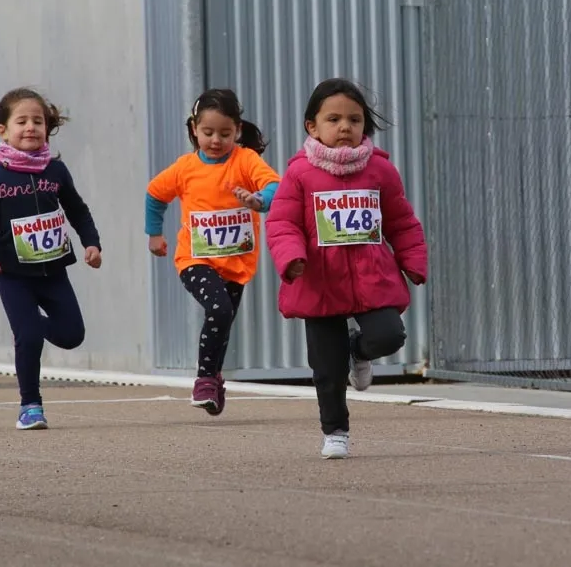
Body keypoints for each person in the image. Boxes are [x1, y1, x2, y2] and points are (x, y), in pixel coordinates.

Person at [266, 78, 428, 459]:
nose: (345, 127)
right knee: (327, 366)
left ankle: (359, 349)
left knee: (389, 335)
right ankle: (335, 430)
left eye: (354, 120)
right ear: (312, 126)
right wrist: (291, 258)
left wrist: (413, 260)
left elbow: (401, 221)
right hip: (319, 282)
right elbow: (282, 223)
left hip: (371, 278)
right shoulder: (299, 174)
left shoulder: (381, 171)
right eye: (334, 119)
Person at [0, 87, 102, 430]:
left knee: (72, 334)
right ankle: (30, 406)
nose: (30, 128)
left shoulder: (57, 172)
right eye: (21, 121)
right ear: (3, 130)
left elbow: (78, 211)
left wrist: (92, 244)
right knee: (29, 339)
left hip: (54, 273)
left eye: (37, 121)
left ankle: (29, 325)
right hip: (13, 275)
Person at [145, 89, 281, 415]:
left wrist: (258, 200)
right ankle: (205, 378)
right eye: (208, 132)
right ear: (194, 129)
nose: (216, 141)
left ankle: (214, 379)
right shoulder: (185, 168)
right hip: (195, 259)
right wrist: (155, 234)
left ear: (237, 130)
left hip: (235, 262)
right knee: (219, 310)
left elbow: (276, 187)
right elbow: (155, 193)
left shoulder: (245, 160)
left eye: (225, 133)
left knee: (223, 320)